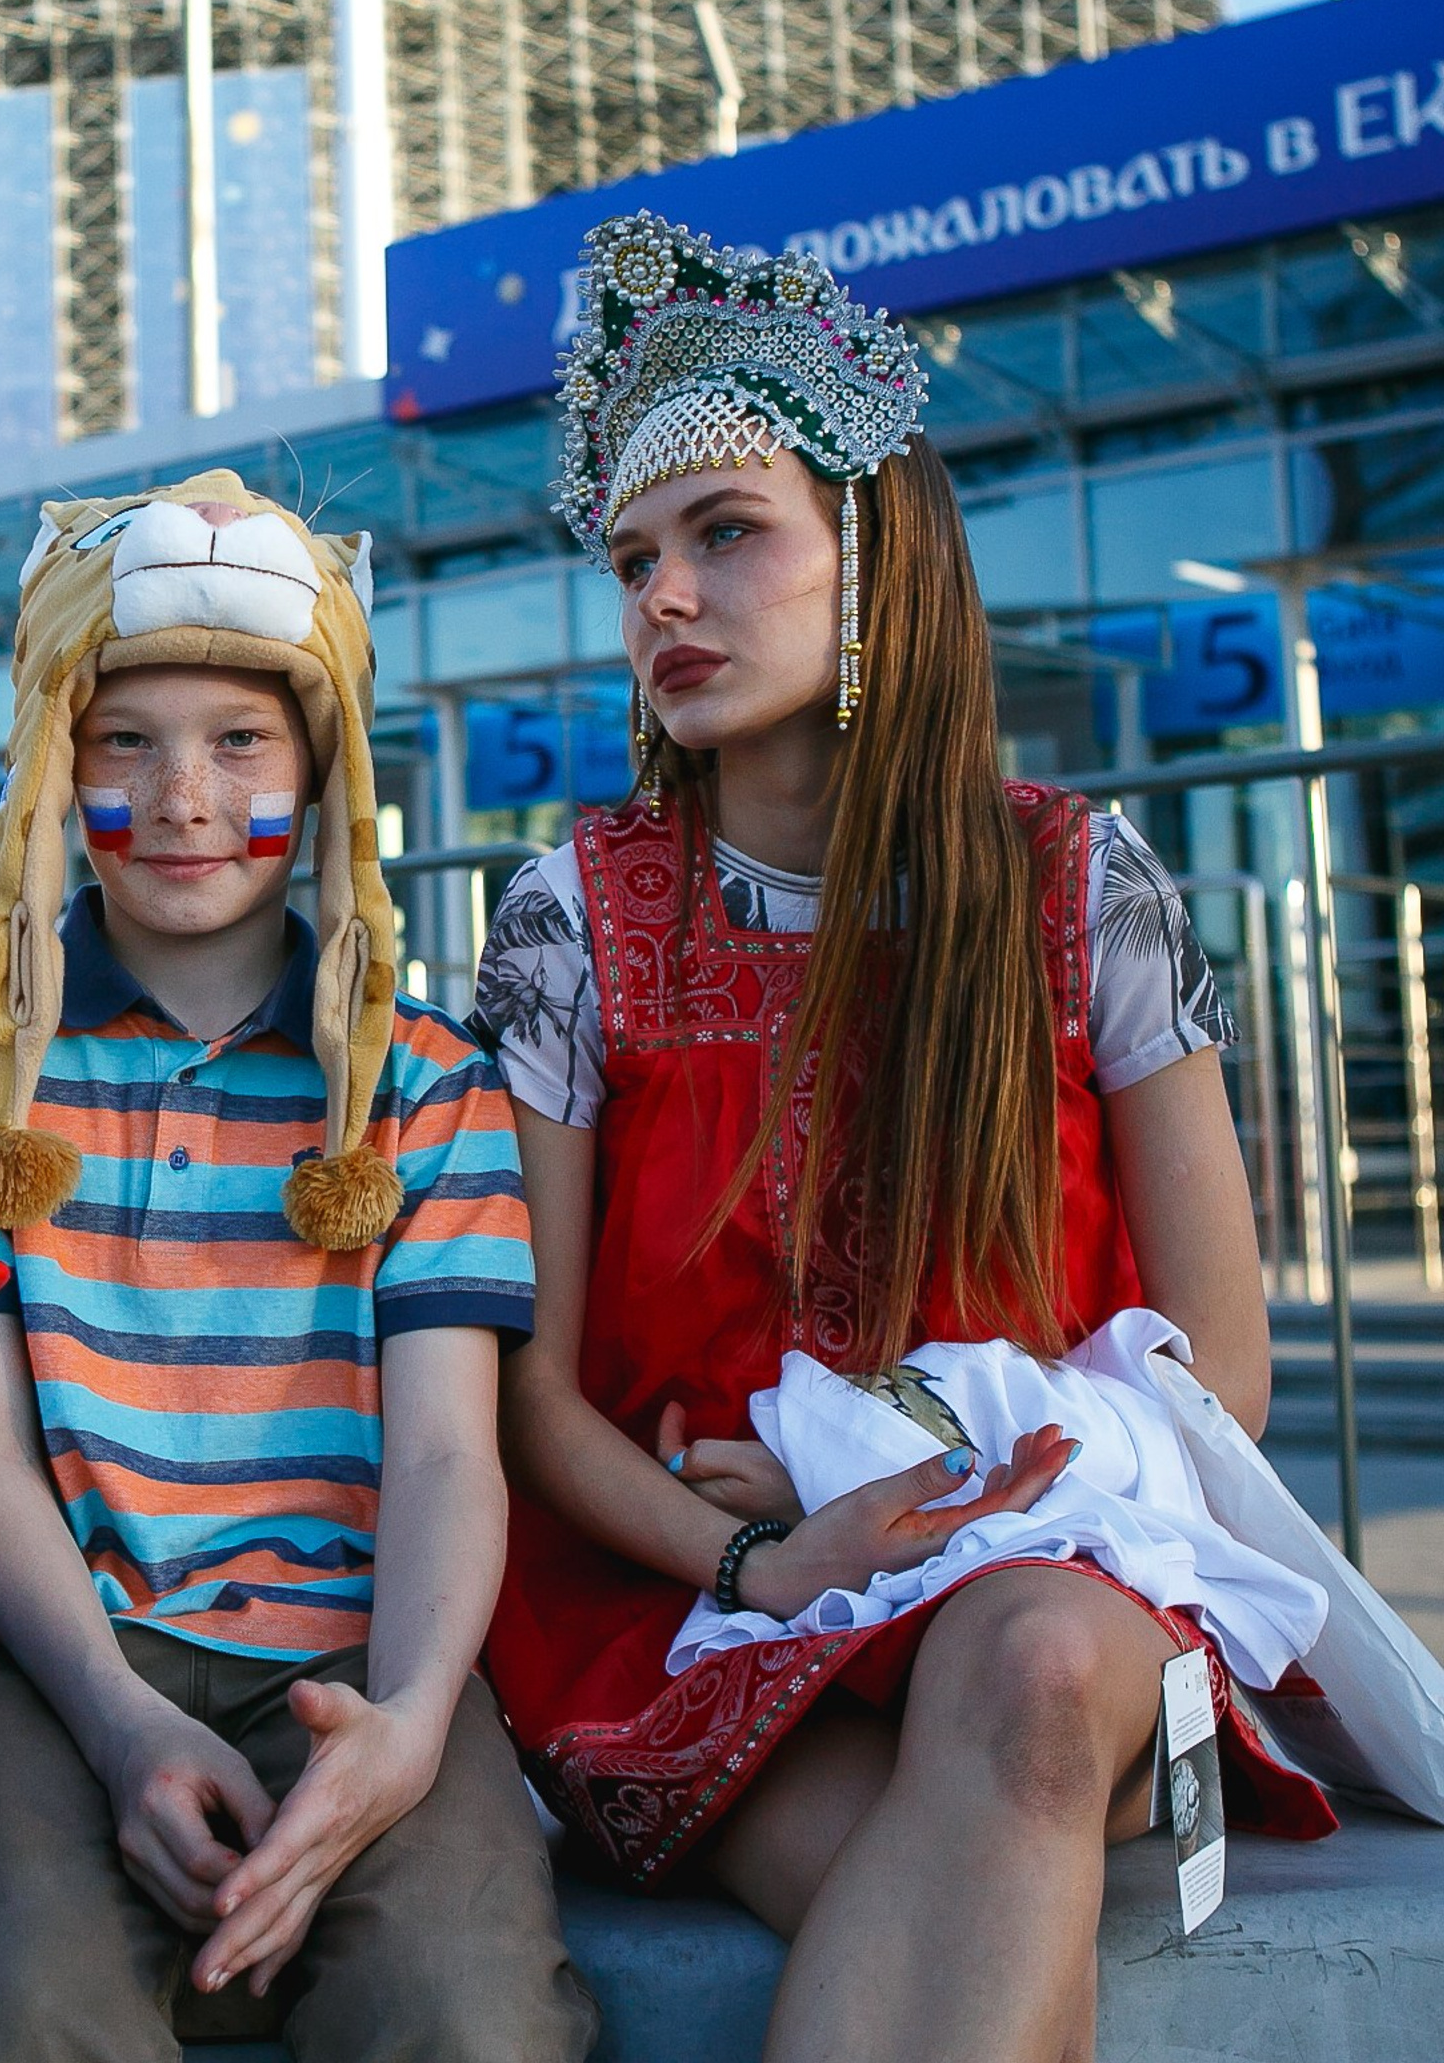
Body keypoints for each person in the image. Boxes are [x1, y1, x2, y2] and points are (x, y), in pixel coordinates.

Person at [475, 214, 1337, 2063]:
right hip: (693, 1612)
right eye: (633, 560)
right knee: (969, 1867)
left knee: (1022, 1674)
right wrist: (764, 1562)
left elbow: (1226, 1373)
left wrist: (871, 1477)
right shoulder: (573, 917)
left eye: (727, 533)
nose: (666, 602)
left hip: (1048, 1568)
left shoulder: (1078, 884)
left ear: (875, 548)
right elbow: (529, 1393)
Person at [0, 472, 598, 2063]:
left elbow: (453, 1449)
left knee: (468, 2018)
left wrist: (400, 1736)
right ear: (59, 764)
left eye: (242, 742)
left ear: (324, 773)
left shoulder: (430, 1080)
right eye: (127, 739)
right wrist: (124, 1728)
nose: (185, 794)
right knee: (30, 2009)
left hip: (365, 1649)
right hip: (59, 1665)